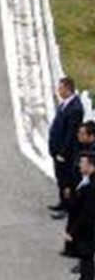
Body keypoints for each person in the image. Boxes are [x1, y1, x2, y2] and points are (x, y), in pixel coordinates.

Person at [49, 77, 85, 217]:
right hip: (57, 150)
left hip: (66, 153)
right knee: (61, 178)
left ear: (67, 89)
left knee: (67, 180)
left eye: (60, 88)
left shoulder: (75, 108)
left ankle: (67, 207)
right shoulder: (65, 104)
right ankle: (62, 202)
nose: (58, 90)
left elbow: (70, 134)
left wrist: (62, 153)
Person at [64, 154, 95, 280]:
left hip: (89, 231)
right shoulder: (86, 180)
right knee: (83, 259)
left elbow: (86, 214)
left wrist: (72, 232)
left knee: (87, 261)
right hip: (86, 229)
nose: (80, 166)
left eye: (83, 163)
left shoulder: (91, 187)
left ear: (91, 166)